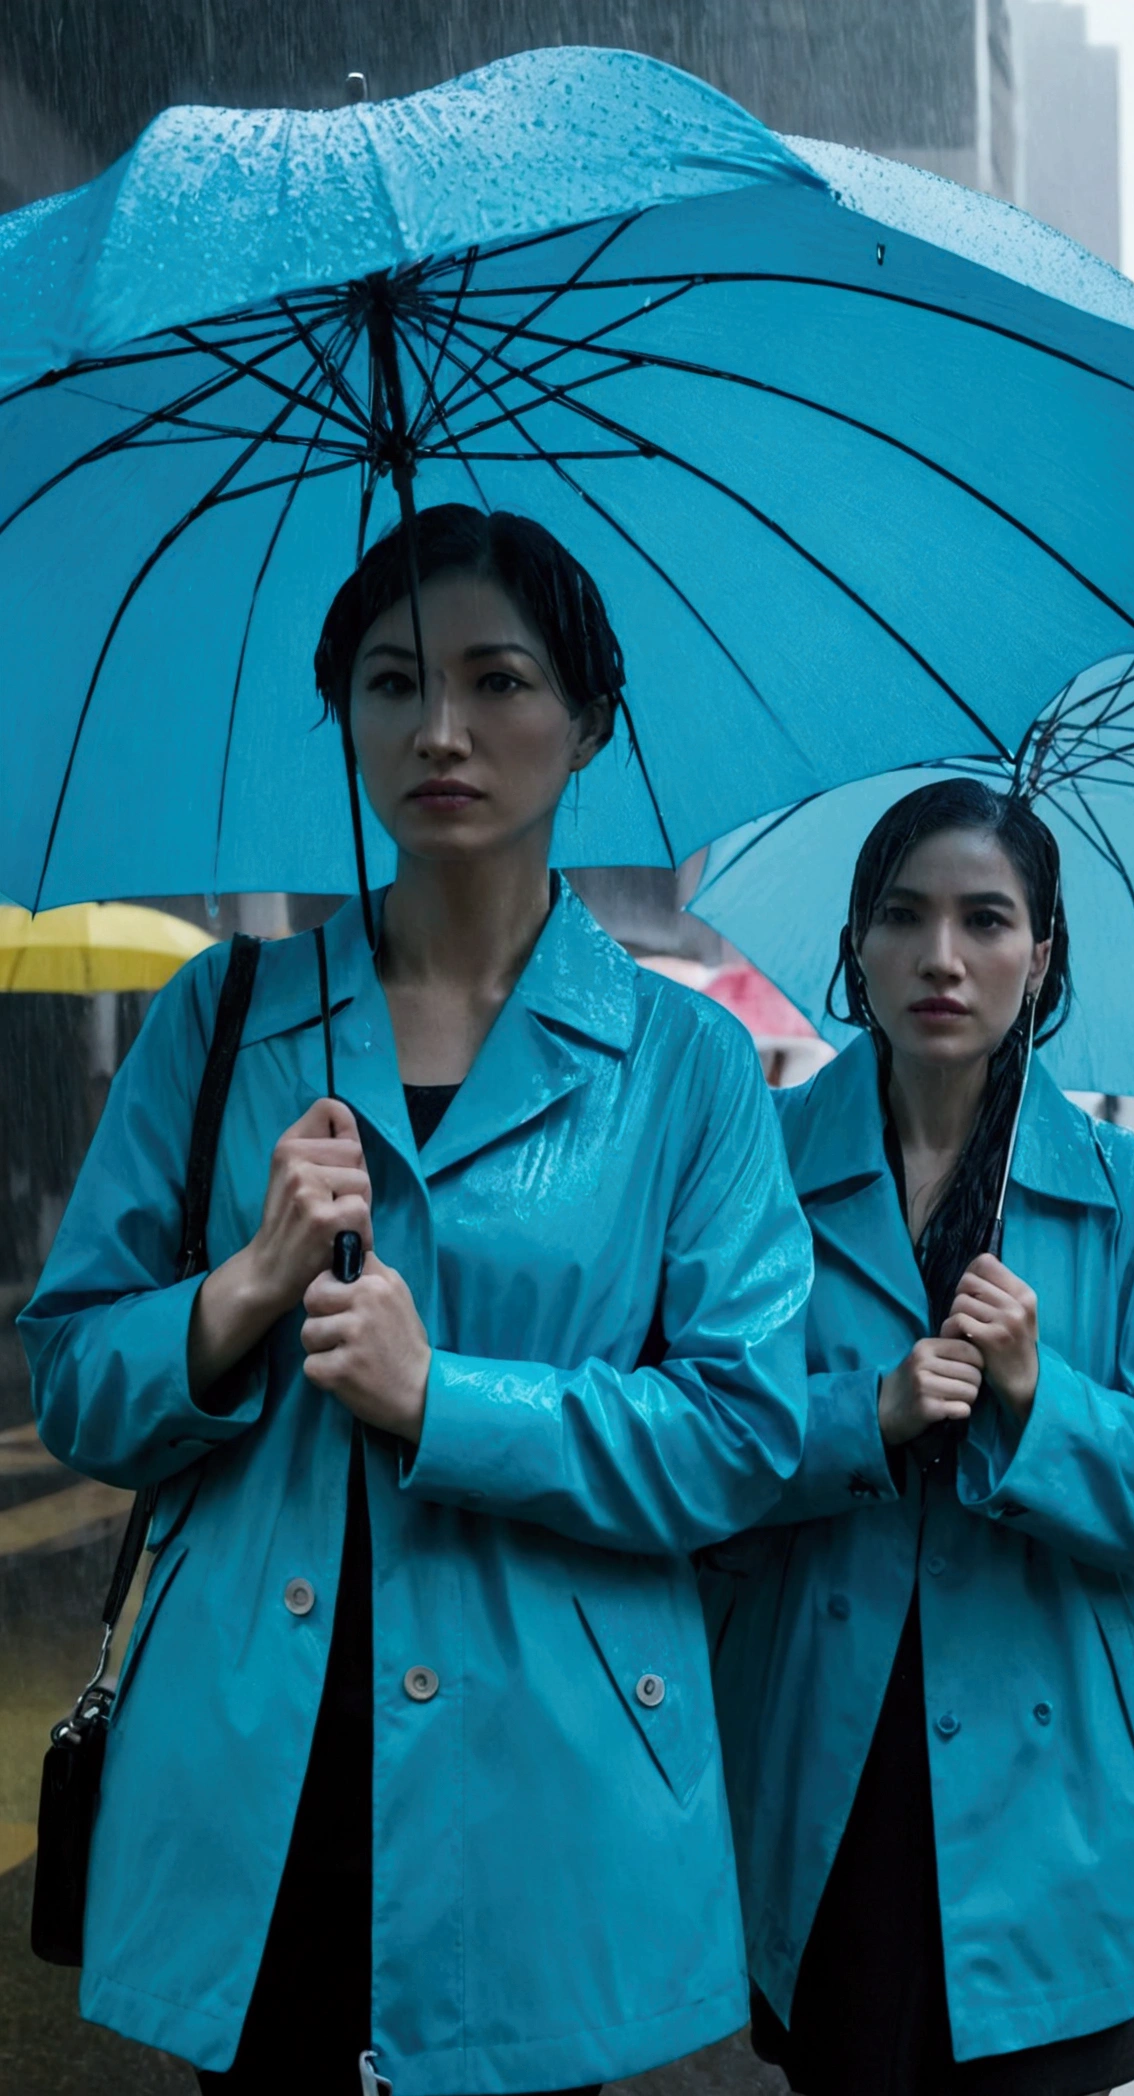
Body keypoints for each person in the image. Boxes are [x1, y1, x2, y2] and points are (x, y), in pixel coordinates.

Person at [22, 505, 813, 2095]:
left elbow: (742, 1433)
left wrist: (445, 1399)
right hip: (257, 1766)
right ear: (347, 720)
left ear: (591, 722)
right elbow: (74, 1381)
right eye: (391, 683)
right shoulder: (222, 1016)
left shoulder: (686, 1067)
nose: (441, 728)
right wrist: (236, 1294)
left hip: (551, 1779)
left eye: (499, 680)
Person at [703, 780, 1134, 2096]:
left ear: (1043, 953)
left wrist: (1036, 1391)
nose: (942, 958)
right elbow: (690, 1445)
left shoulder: (1131, 1202)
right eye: (903, 917)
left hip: (1046, 1785)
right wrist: (869, 1415)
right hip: (821, 1757)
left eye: (987, 920)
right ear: (855, 946)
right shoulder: (755, 1173)